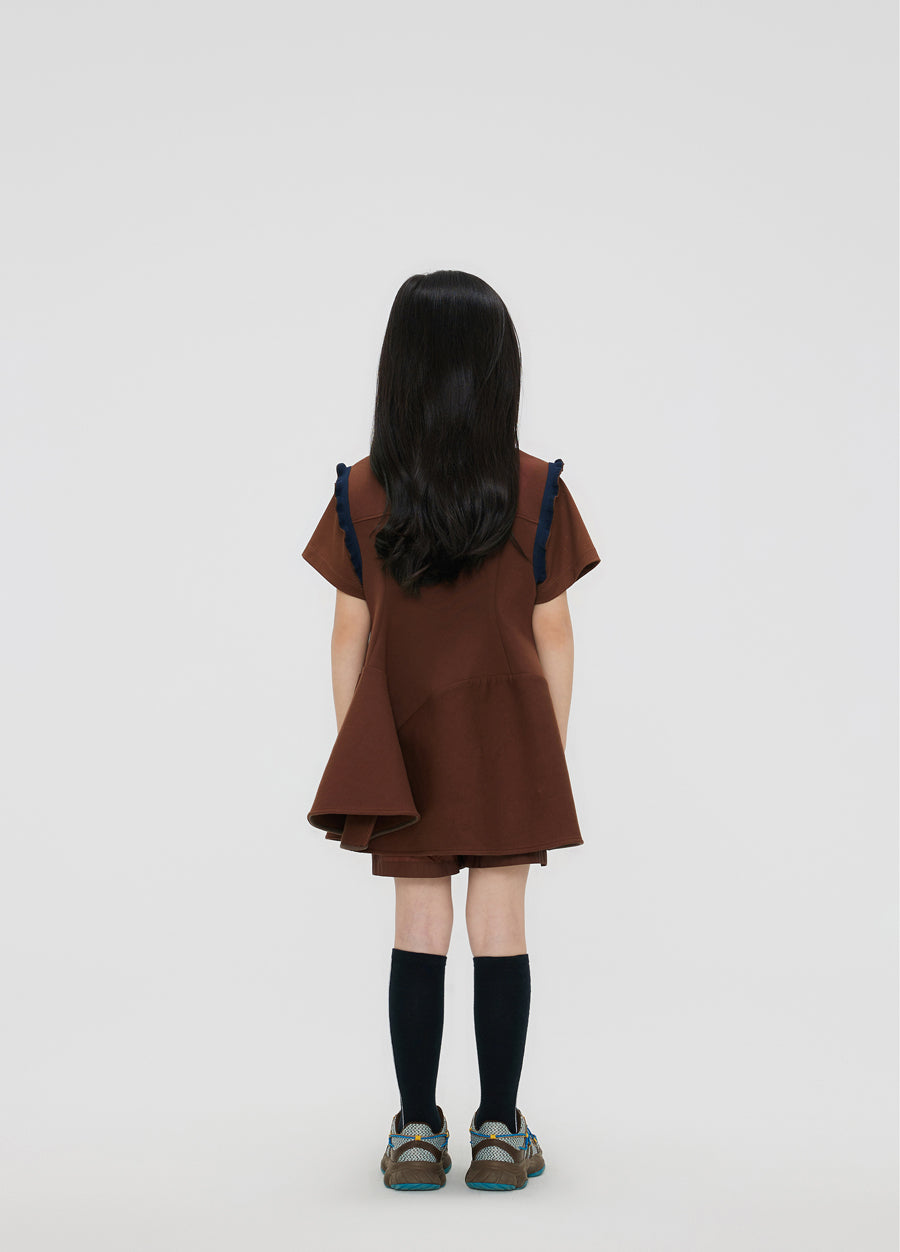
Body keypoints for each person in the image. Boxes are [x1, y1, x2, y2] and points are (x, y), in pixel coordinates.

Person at [301, 270, 601, 1191]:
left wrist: (364, 751)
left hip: (404, 743)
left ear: (399, 371)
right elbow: (555, 635)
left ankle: (418, 1135)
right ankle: (501, 1132)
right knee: (500, 921)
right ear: (498, 370)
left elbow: (347, 639)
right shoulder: (536, 490)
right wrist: (545, 753)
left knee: (419, 923)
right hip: (510, 738)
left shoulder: (362, 491)